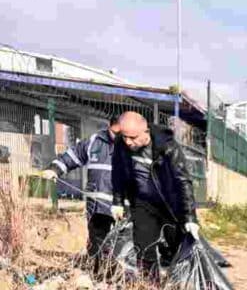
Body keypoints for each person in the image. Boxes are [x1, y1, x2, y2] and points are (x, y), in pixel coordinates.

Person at [111, 111, 200, 280]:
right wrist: (117, 201)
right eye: (124, 137)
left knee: (177, 248)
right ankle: (150, 287)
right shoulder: (121, 144)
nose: (128, 142)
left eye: (133, 137)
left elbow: (182, 180)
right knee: (144, 247)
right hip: (143, 202)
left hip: (170, 204)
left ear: (146, 131)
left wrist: (190, 217)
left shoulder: (167, 146)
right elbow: (118, 172)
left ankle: (177, 284)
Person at [42, 115, 121, 267]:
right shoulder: (95, 142)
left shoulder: (134, 145)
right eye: (116, 133)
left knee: (122, 244)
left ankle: (120, 274)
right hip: (97, 206)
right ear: (110, 127)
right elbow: (73, 156)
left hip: (121, 207)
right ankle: (99, 272)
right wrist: (54, 169)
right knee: (97, 241)